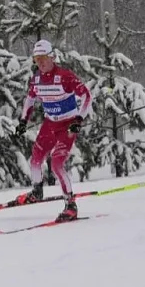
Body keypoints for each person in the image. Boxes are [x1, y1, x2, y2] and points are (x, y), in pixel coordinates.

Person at [15, 39, 92, 222]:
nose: (40, 62)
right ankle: (37, 191)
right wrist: (23, 121)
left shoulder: (65, 76)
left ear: (52, 57)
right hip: (50, 124)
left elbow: (86, 97)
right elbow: (30, 100)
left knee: (56, 164)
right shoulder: (37, 79)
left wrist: (79, 119)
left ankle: (70, 205)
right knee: (35, 160)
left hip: (67, 126)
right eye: (37, 59)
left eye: (44, 58)